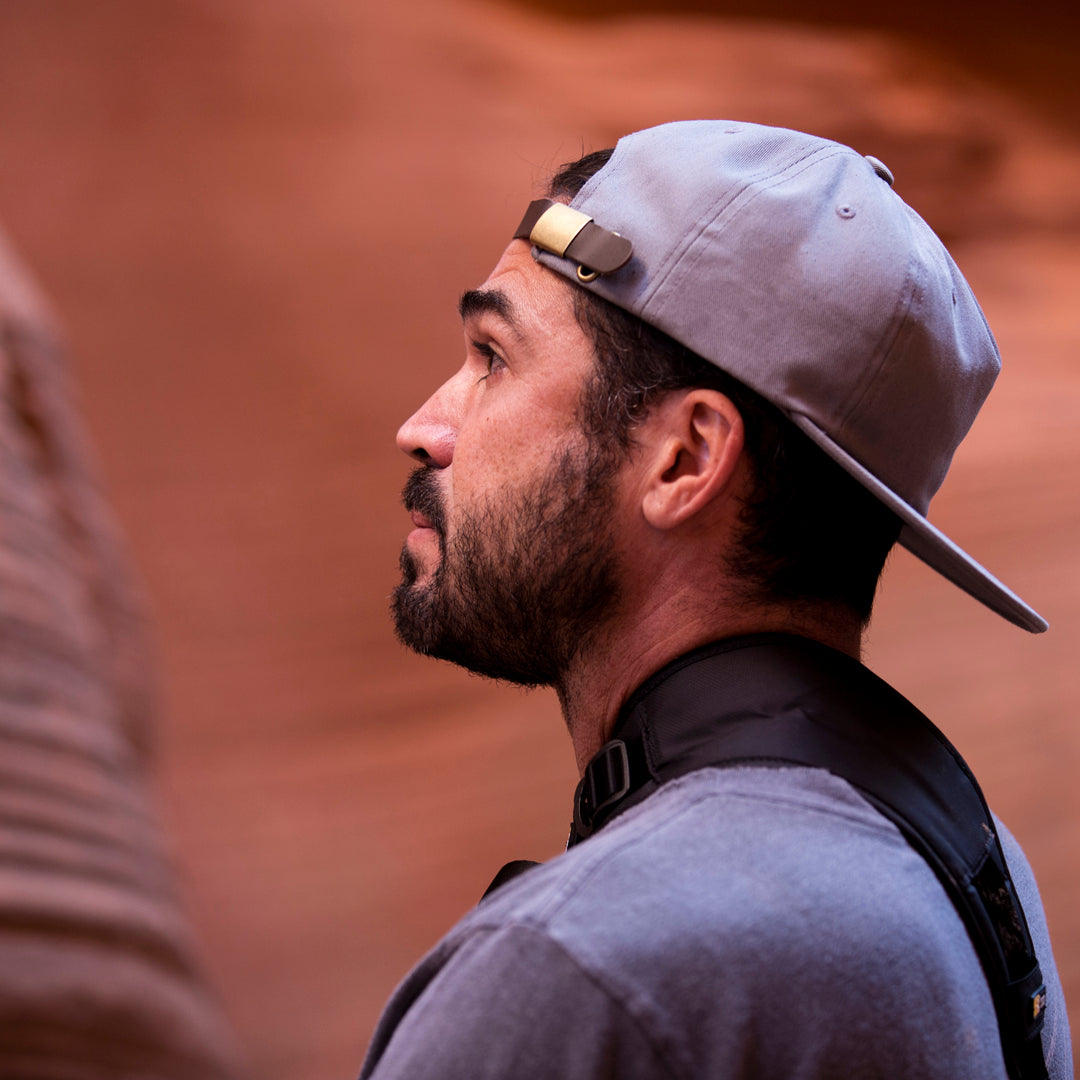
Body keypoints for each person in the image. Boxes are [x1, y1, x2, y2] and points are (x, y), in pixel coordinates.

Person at [364, 121, 1072, 1079]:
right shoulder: (977, 877)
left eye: (494, 358)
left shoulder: (582, 968)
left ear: (687, 457)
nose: (424, 427)